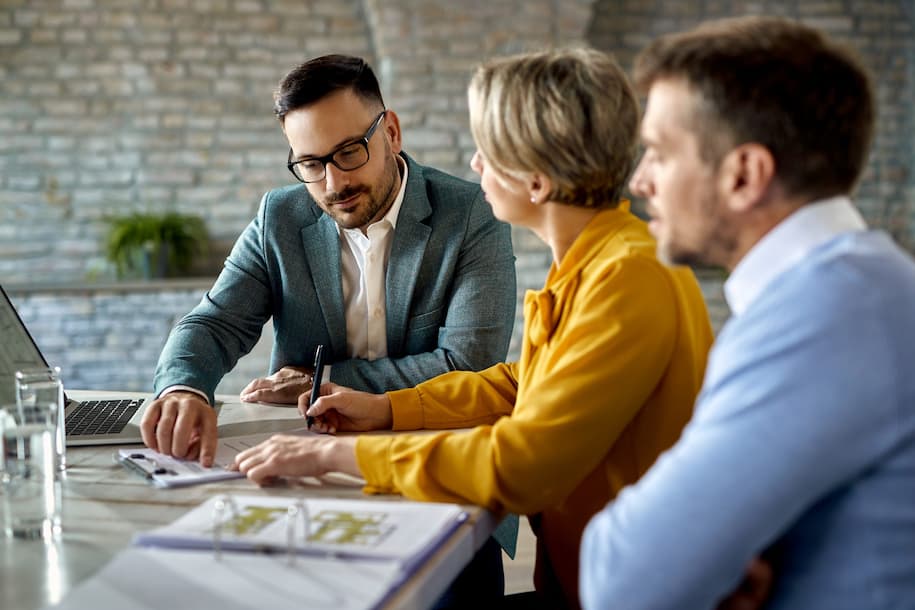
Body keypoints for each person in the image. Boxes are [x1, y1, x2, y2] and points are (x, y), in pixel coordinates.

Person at [233, 48, 714, 609]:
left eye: (489, 150)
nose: (475, 164)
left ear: (535, 180)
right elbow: (522, 384)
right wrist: (386, 408)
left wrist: (335, 458)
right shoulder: (598, 258)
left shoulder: (626, 274)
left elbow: (522, 464)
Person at [580, 16, 915, 610]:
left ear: (743, 175)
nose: (640, 180)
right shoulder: (858, 287)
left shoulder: (824, 316)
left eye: (658, 152)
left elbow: (623, 580)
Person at [140, 54, 516, 467]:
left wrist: (327, 380)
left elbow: (470, 366)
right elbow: (214, 323)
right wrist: (183, 390)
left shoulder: (471, 214)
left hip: (437, 456)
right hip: (305, 456)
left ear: (391, 133)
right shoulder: (280, 217)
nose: (334, 183)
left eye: (350, 152)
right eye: (311, 164)